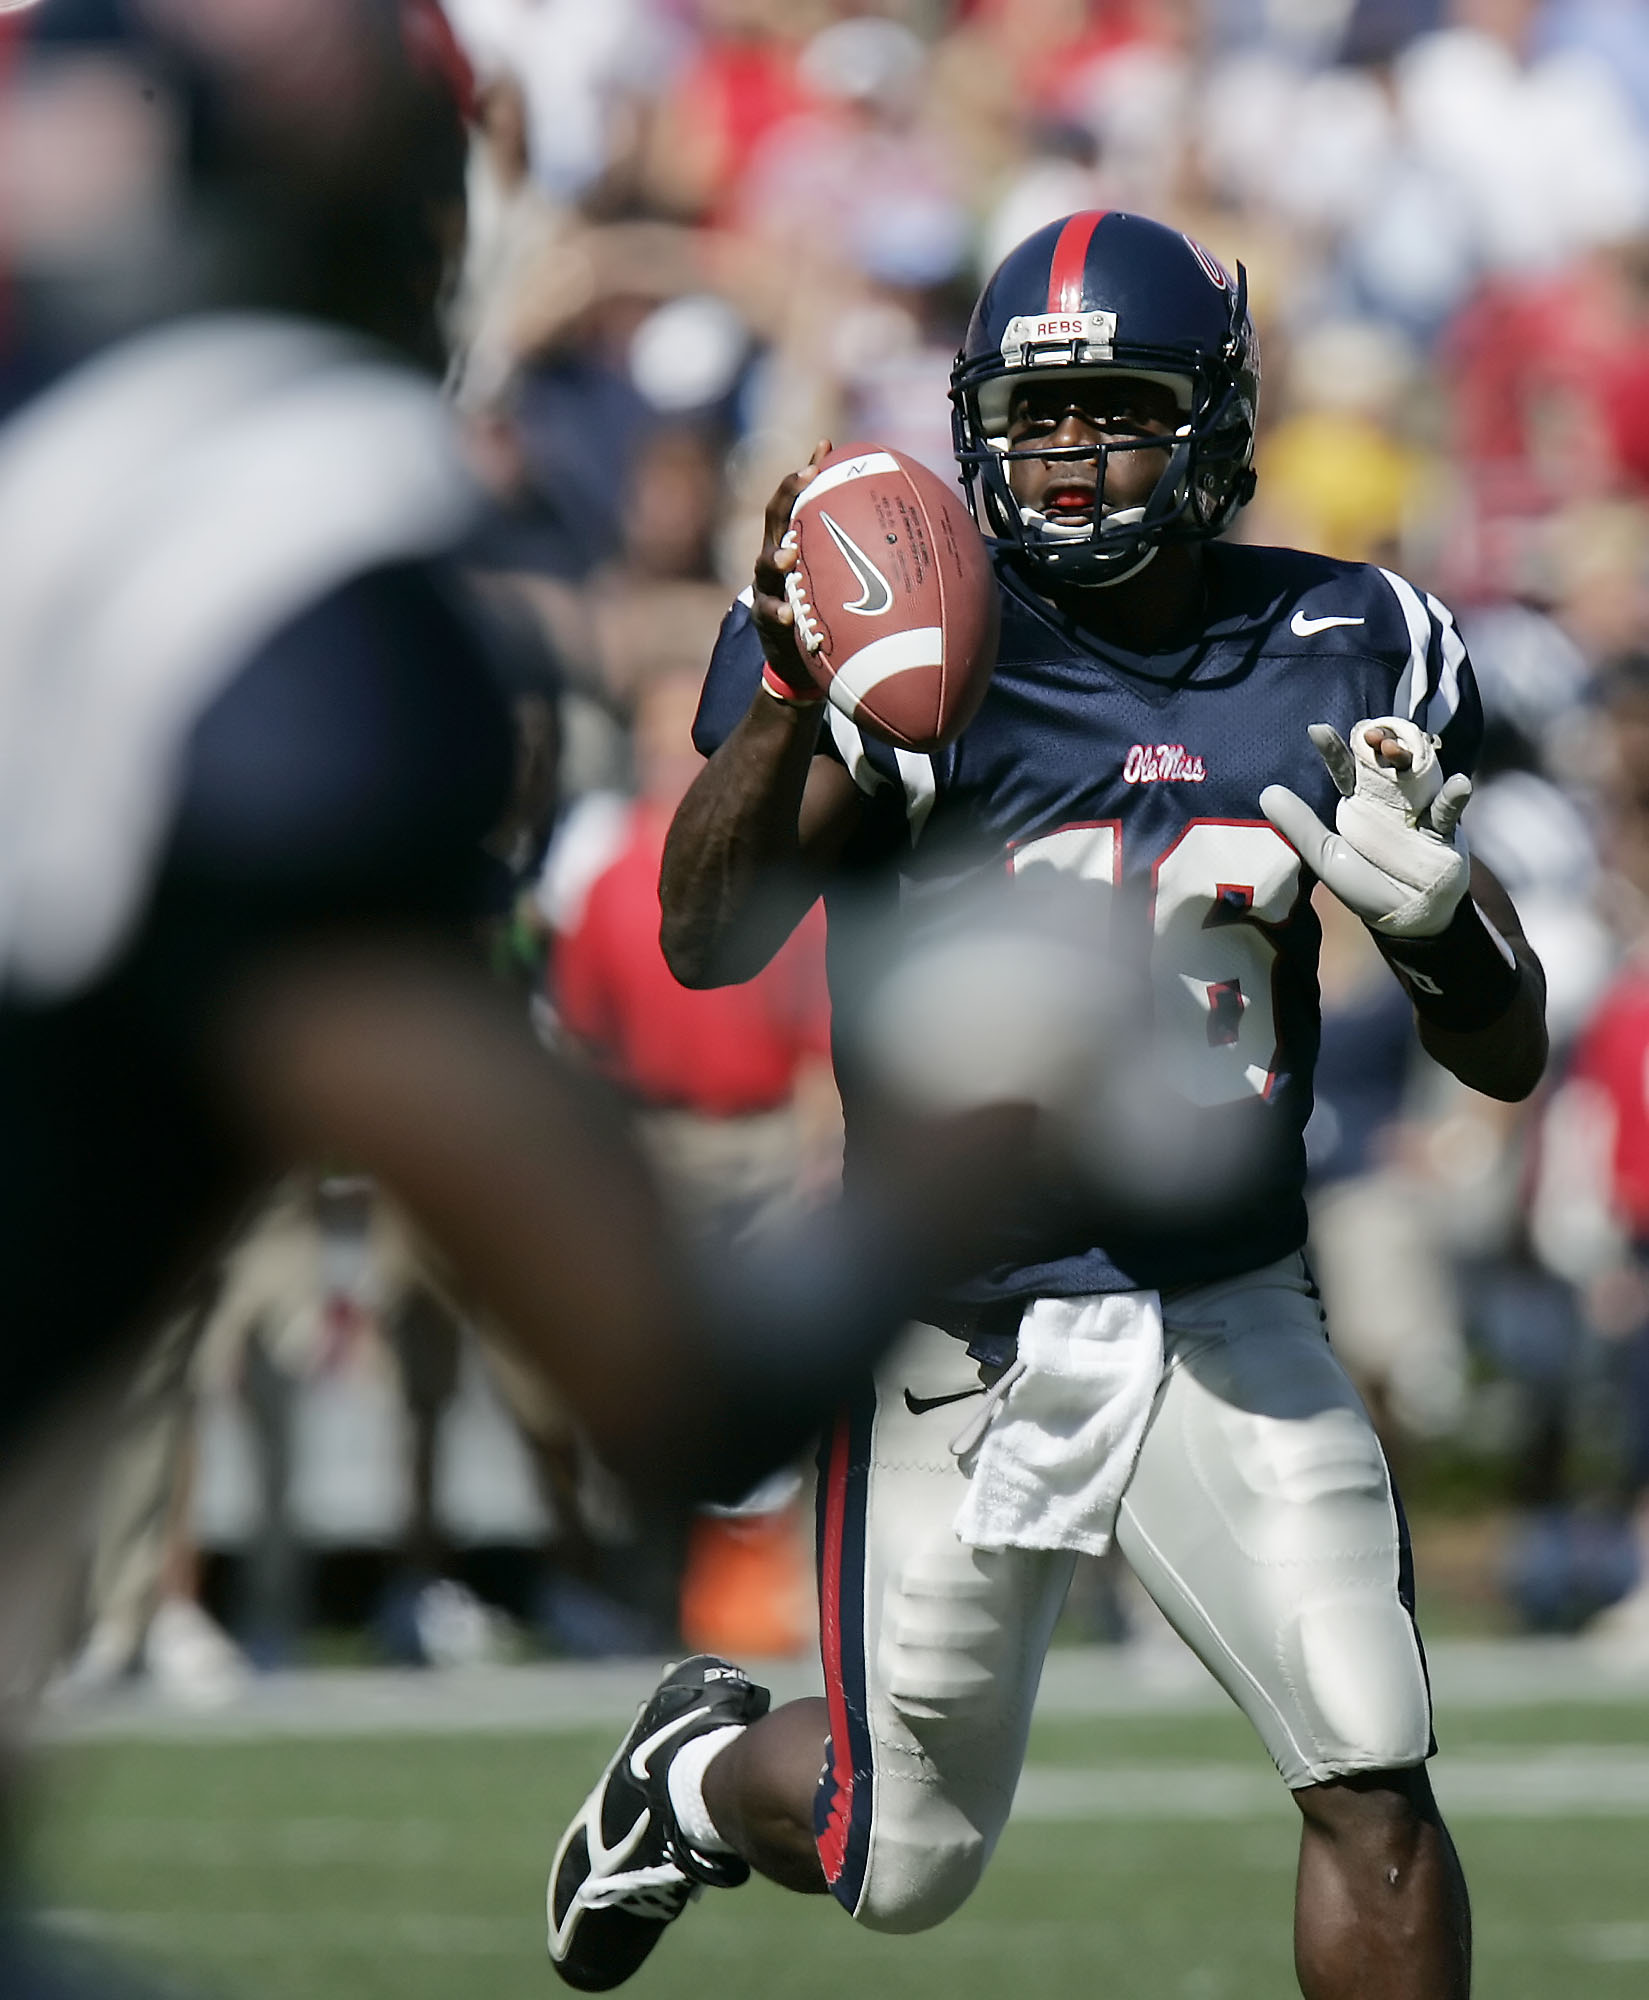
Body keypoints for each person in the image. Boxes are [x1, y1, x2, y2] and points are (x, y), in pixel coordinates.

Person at [547, 211, 1549, 2000]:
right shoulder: (926, 644)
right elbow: (705, 936)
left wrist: (1435, 923)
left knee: (1368, 1769)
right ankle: (698, 1779)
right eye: (1034, 417)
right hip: (959, 1316)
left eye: (1118, 410)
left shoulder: (1351, 636)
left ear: (1219, 421)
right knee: (896, 1851)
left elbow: (1506, 1044)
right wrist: (789, 688)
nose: (1069, 459)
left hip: (1226, 1296)